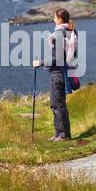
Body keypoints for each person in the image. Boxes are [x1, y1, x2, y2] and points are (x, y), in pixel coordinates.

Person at [34, 8, 76, 142]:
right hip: (63, 71)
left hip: (58, 73)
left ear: (60, 19)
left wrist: (39, 62)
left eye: (54, 17)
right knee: (57, 103)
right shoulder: (69, 32)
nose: (53, 19)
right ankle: (59, 134)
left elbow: (56, 59)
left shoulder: (59, 35)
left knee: (57, 104)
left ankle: (63, 135)